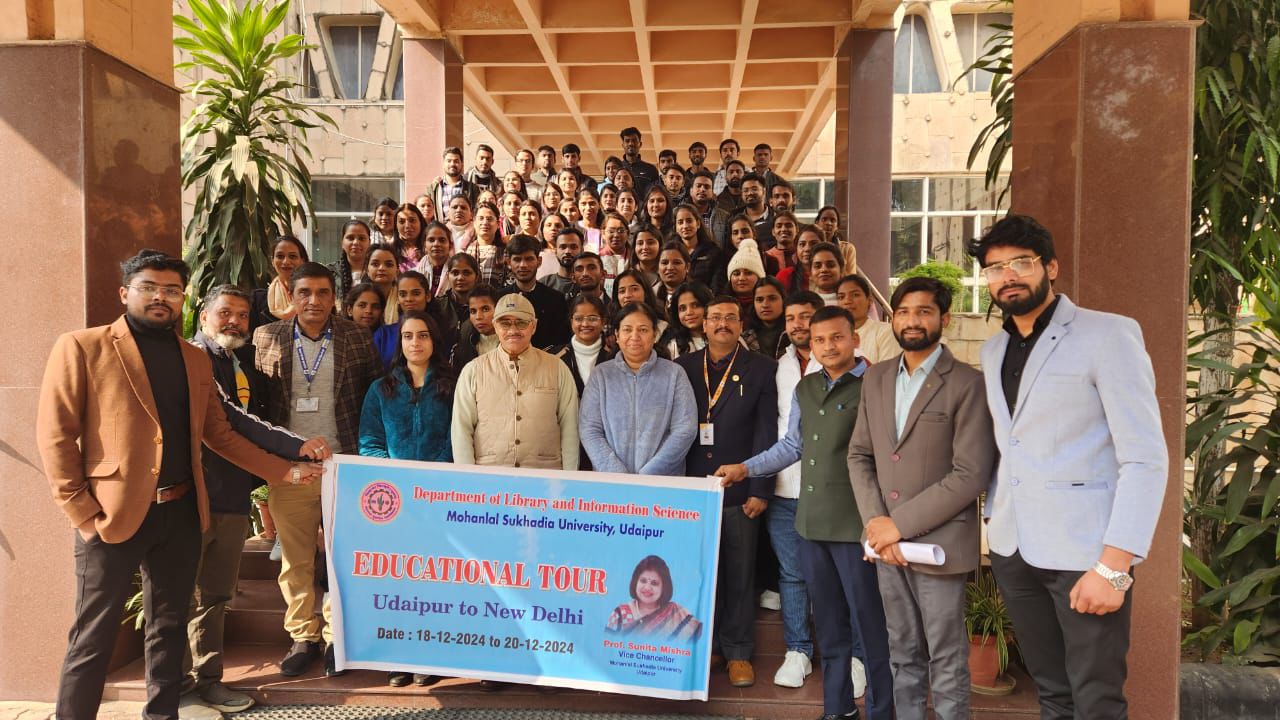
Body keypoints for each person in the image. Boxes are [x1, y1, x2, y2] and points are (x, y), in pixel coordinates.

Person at [36, 250, 322, 720]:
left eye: (171, 290)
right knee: (93, 635)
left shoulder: (194, 358)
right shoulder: (83, 346)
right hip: (111, 516)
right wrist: (82, 515)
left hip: (182, 513)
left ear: (182, 299)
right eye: (149, 287)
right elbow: (55, 435)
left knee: (168, 630)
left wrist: (285, 471)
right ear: (125, 292)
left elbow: (221, 434)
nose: (161, 297)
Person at [969, 215, 1167, 720]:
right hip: (1014, 550)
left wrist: (1115, 566)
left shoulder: (1108, 335)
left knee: (1097, 700)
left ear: (1051, 267)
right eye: (994, 268)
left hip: (1086, 555)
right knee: (1052, 693)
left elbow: (1144, 458)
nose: (1007, 276)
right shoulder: (993, 351)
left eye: (1021, 262)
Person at [716, 306, 894, 720]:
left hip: (858, 525)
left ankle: (882, 711)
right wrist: (746, 467)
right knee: (830, 627)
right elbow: (792, 446)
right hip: (811, 522)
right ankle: (837, 709)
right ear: (810, 345)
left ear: (855, 339)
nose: (828, 346)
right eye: (819, 339)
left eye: (837, 337)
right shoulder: (807, 387)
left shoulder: (878, 384)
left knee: (869, 627)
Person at [847, 277, 996, 720]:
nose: (912, 321)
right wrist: (878, 524)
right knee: (902, 651)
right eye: (904, 312)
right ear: (892, 318)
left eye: (924, 311)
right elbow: (859, 455)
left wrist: (898, 524)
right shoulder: (874, 378)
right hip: (887, 546)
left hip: (939, 545)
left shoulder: (969, 384)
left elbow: (970, 474)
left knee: (947, 659)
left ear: (944, 319)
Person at [185, 286, 329, 714]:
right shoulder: (196, 358)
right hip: (195, 495)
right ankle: (178, 690)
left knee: (214, 596)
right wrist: (294, 453)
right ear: (203, 314)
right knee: (185, 597)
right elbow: (230, 423)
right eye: (224, 312)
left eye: (243, 315)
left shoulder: (232, 359)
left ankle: (207, 682)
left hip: (230, 494)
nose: (233, 321)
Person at [253, 262, 380, 678]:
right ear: (291, 295)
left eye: (322, 293)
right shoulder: (266, 337)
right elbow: (257, 407)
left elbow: (372, 398)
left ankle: (333, 637)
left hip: (344, 466)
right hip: (290, 469)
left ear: (334, 298)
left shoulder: (357, 338)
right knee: (295, 559)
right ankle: (302, 635)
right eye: (304, 292)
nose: (313, 301)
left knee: (341, 558)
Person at [676, 297, 778, 688]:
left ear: (740, 325)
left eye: (730, 318)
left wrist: (760, 488)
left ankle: (738, 652)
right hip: (692, 489)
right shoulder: (683, 368)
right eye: (714, 317)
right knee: (699, 574)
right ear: (703, 325)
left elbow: (766, 432)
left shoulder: (761, 369)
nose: (721, 324)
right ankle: (708, 648)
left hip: (739, 490)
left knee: (739, 574)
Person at [765, 290, 823, 688]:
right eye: (791, 318)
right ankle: (798, 650)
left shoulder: (849, 364)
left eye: (806, 316)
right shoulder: (779, 366)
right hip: (785, 486)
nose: (798, 324)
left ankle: (853, 654)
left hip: (833, 491)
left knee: (839, 575)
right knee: (792, 574)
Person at [451, 293, 580, 471]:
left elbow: (570, 429)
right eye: (505, 323)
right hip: (489, 480)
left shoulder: (557, 368)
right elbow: (461, 431)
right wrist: (469, 480)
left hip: (544, 480)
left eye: (521, 322)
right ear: (495, 326)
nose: (513, 330)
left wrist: (568, 479)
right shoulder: (473, 371)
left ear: (533, 326)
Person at [580, 303, 697, 476]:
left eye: (643, 330)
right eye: (627, 329)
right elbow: (590, 430)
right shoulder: (601, 375)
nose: (634, 336)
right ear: (617, 335)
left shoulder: (674, 374)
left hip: (662, 483)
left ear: (654, 335)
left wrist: (649, 474)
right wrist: (618, 474)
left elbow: (685, 429)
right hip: (613, 483)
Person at [605, 555, 703, 641]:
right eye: (643, 581)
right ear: (635, 582)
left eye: (654, 583)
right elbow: (608, 651)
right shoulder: (620, 615)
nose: (647, 587)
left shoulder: (677, 614)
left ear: (664, 587)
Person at [500, 234, 570, 350]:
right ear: (509, 262)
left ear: (539, 261)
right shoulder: (500, 299)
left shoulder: (555, 299)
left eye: (529, 259)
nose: (523, 265)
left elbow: (561, 342)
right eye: (517, 259)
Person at [552, 294, 615, 397]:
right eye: (579, 319)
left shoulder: (615, 356)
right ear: (572, 322)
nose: (585, 324)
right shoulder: (554, 357)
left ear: (603, 321)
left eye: (592, 318)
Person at [372, 271, 431, 368]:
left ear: (428, 296)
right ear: (398, 299)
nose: (409, 299)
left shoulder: (438, 331)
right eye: (403, 294)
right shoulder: (384, 334)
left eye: (416, 293)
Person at [250, 236, 307, 332]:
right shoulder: (258, 300)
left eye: (292, 256)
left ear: (302, 260)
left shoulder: (315, 297)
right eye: (280, 256)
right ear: (272, 261)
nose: (286, 261)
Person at [837, 274, 897, 364]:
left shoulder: (886, 332)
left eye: (855, 295)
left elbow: (887, 373)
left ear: (869, 300)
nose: (847, 301)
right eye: (841, 297)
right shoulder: (831, 336)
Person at [429, 252, 481, 352]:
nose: (460, 278)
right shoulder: (437, 306)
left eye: (466, 273)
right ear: (448, 276)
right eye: (455, 273)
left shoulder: (483, 307)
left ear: (476, 276)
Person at [675, 204, 727, 291]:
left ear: (698, 223)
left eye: (689, 221)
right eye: (680, 222)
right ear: (676, 227)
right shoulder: (670, 252)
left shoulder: (714, 252)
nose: (685, 226)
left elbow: (718, 285)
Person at [451, 283, 501, 368]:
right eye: (473, 311)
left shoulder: (512, 342)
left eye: (485, 309)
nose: (478, 317)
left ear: (498, 309)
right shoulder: (464, 344)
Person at [660, 280, 712, 359]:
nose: (689, 312)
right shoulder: (672, 345)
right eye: (682, 308)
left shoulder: (722, 335)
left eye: (695, 305)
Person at [744, 277, 789, 359]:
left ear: (783, 300)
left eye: (772, 298)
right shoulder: (745, 339)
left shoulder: (793, 333)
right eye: (759, 300)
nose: (765, 305)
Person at [426, 146, 478, 214]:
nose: (452, 164)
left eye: (456, 161)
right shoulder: (433, 189)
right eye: (449, 161)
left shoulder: (472, 188)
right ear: (443, 163)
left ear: (462, 164)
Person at [329, 219, 371, 303]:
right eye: (350, 238)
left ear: (369, 242)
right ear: (342, 242)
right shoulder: (330, 272)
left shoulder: (377, 272)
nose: (356, 242)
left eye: (362, 238)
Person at [414, 220, 456, 297]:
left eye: (442, 240)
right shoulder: (415, 275)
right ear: (424, 246)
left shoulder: (457, 271)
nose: (436, 244)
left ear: (450, 245)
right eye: (431, 240)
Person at [688, 169, 730, 247]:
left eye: (707, 187)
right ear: (691, 191)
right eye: (698, 186)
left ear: (712, 193)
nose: (702, 189)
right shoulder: (678, 214)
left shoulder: (725, 217)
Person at [726, 239, 766, 318]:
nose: (741, 278)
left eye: (748, 273)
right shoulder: (721, 306)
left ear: (759, 277)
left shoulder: (767, 306)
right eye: (736, 274)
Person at [363, 244, 401, 326]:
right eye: (375, 264)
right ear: (367, 270)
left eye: (388, 265)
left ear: (397, 271)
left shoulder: (404, 298)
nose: (381, 268)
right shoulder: (358, 298)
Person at [540, 224, 580, 297]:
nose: (567, 251)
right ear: (555, 251)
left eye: (573, 247)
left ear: (582, 250)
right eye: (563, 247)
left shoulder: (587, 283)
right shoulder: (544, 284)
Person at [619, 126, 660, 192]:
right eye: (627, 141)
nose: (631, 143)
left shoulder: (651, 169)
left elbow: (656, 193)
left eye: (634, 140)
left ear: (640, 144)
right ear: (623, 145)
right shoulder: (617, 167)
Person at [654, 241, 691, 307]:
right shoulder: (650, 296)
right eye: (664, 263)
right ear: (657, 268)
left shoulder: (699, 295)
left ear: (687, 267)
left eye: (676, 262)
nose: (670, 268)